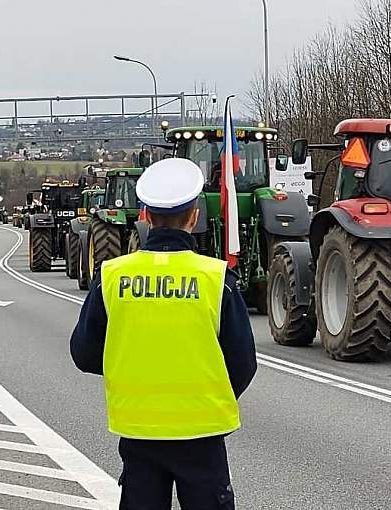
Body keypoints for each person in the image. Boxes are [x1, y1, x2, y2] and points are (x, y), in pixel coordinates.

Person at [70, 158, 257, 510]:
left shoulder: (111, 276)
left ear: (144, 215)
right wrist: (209, 395)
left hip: (139, 432)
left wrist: (131, 369)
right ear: (194, 216)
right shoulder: (216, 280)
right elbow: (243, 362)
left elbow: (84, 353)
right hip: (202, 435)